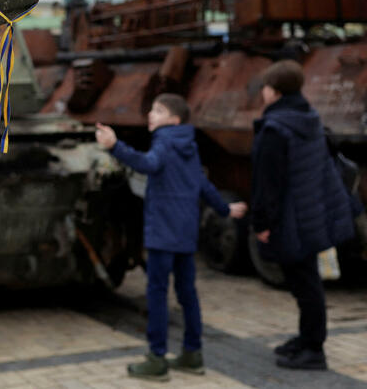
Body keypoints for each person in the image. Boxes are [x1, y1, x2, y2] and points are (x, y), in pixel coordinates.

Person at [96, 93, 247, 381]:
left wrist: (115, 146)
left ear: (174, 120)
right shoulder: (188, 145)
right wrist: (224, 208)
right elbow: (202, 184)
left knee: (157, 294)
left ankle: (157, 358)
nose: (151, 114)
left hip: (162, 233)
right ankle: (192, 354)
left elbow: (147, 164)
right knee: (187, 294)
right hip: (185, 234)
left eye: (158, 110)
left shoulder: (164, 141)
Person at [251, 60, 355, 370]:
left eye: (265, 89)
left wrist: (262, 223)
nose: (262, 94)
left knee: (305, 282)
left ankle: (313, 349)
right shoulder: (307, 118)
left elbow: (267, 183)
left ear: (275, 92)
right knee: (305, 280)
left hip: (290, 218)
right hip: (310, 211)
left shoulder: (275, 129)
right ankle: (307, 337)